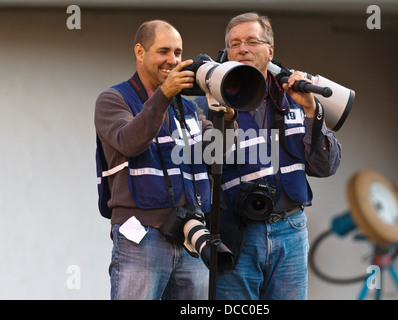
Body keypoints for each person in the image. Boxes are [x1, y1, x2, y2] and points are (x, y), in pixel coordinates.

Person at [195, 12, 342, 300]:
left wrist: (313, 111)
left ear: (270, 50)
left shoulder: (296, 100)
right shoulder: (209, 103)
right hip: (236, 233)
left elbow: (325, 166)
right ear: (226, 53)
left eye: (252, 41)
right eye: (235, 44)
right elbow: (201, 168)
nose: (243, 49)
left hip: (291, 228)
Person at [94, 20, 232, 300]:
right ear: (140, 52)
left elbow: (220, 153)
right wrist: (164, 95)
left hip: (191, 236)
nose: (173, 60)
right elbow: (129, 142)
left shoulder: (190, 109)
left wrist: (227, 117)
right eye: (164, 51)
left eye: (178, 53)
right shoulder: (113, 99)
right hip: (140, 236)